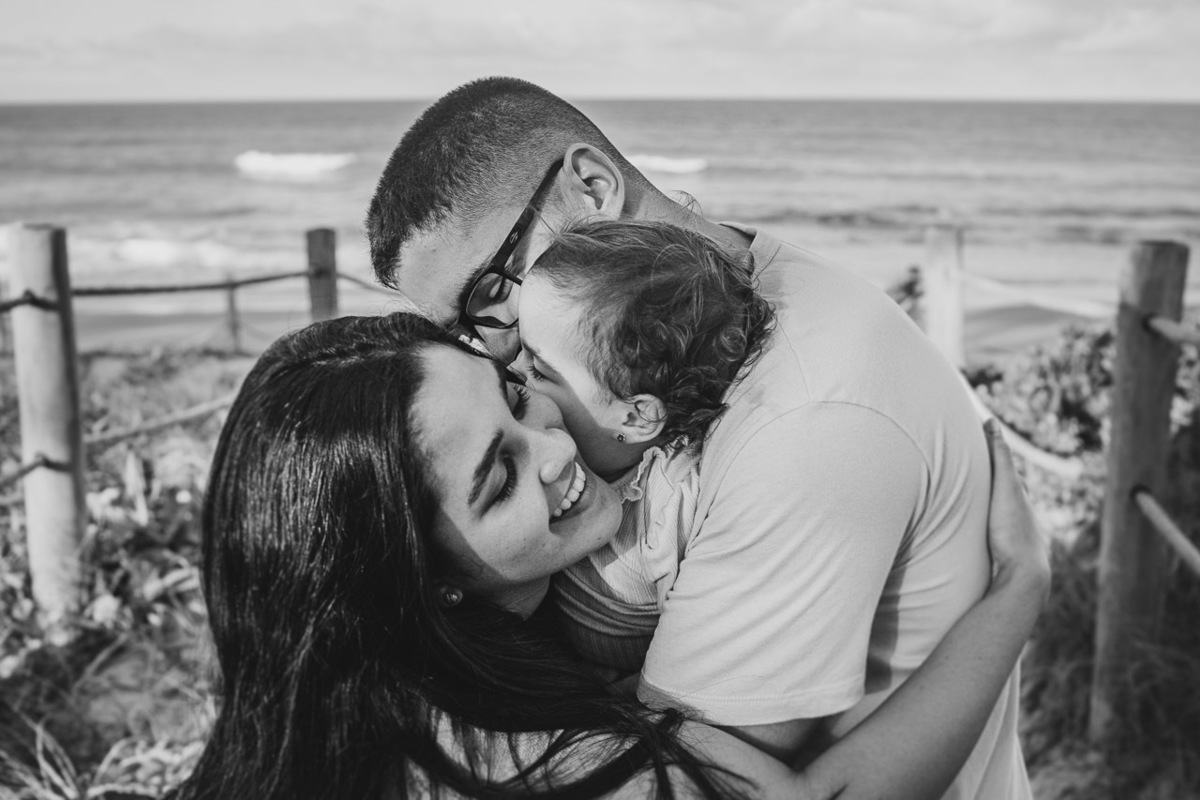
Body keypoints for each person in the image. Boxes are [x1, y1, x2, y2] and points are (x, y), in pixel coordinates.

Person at [366, 77, 1030, 796]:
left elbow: (682, 777)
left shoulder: (798, 424)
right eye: (459, 330)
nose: (489, 353)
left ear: (592, 188)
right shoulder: (706, 304)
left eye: (490, 294)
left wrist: (1019, 597)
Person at [171, 312, 1048, 800]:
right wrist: (1018, 589)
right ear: (424, 578)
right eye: (497, 479)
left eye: (515, 396)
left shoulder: (343, 722)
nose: (551, 450)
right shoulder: (562, 766)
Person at [509, 219, 773, 674]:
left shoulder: (672, 513)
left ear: (635, 417)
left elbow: (699, 654)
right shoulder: (551, 448)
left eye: (540, 369)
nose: (513, 369)